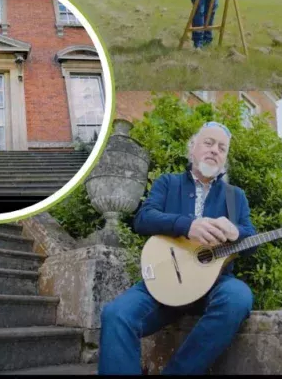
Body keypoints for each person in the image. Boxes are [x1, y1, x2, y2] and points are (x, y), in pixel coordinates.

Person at [98, 121, 256, 375]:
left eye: (222, 148)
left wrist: (237, 232)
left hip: (215, 283)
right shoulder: (168, 183)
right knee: (116, 315)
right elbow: (143, 218)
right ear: (192, 148)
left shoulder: (234, 196)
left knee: (238, 297)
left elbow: (250, 241)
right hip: (164, 281)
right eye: (208, 142)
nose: (215, 150)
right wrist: (187, 225)